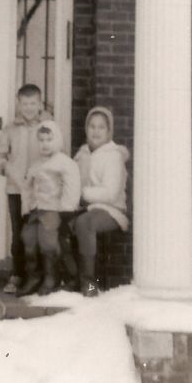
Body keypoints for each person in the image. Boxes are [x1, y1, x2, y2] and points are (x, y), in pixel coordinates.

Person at [0, 84, 52, 294]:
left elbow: (56, 151)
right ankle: (18, 274)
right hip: (16, 190)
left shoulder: (48, 127)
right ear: (18, 104)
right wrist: (7, 168)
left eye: (33, 103)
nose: (28, 108)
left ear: (40, 104)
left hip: (41, 191)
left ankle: (39, 276)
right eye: (24, 103)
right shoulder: (10, 129)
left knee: (37, 232)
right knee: (19, 233)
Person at [17, 121, 81, 297]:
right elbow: (27, 187)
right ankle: (33, 277)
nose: (44, 144)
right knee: (28, 239)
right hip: (36, 209)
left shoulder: (64, 163)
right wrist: (26, 208)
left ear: (57, 140)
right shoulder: (35, 164)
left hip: (53, 210)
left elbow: (72, 186)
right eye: (41, 140)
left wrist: (67, 211)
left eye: (49, 140)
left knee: (48, 243)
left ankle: (51, 278)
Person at [72, 106, 129, 297]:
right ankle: (71, 279)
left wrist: (81, 193)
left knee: (84, 223)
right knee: (58, 223)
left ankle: (89, 285)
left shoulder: (113, 156)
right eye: (92, 126)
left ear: (109, 131)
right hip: (85, 207)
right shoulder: (81, 155)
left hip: (111, 210)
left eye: (101, 127)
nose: (96, 131)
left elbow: (110, 193)